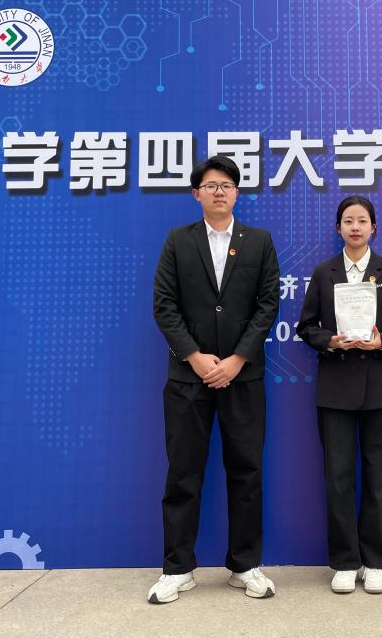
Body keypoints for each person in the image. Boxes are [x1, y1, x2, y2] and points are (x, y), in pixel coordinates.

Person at [149, 155, 280, 604]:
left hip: (243, 377)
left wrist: (238, 359)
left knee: (247, 472)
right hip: (188, 379)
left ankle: (245, 565)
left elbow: (268, 305)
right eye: (210, 185)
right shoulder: (178, 241)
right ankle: (177, 568)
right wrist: (195, 356)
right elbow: (164, 304)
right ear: (196, 194)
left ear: (237, 193)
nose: (219, 191)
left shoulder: (259, 241)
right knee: (183, 473)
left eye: (226, 185)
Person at [296, 196, 382, 594]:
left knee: (379, 477)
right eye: (348, 220)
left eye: (362, 220)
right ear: (338, 228)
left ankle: (377, 561)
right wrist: (329, 341)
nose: (355, 227)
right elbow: (306, 326)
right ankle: (345, 562)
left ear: (373, 227)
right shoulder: (325, 272)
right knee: (338, 478)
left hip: (381, 387)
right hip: (335, 388)